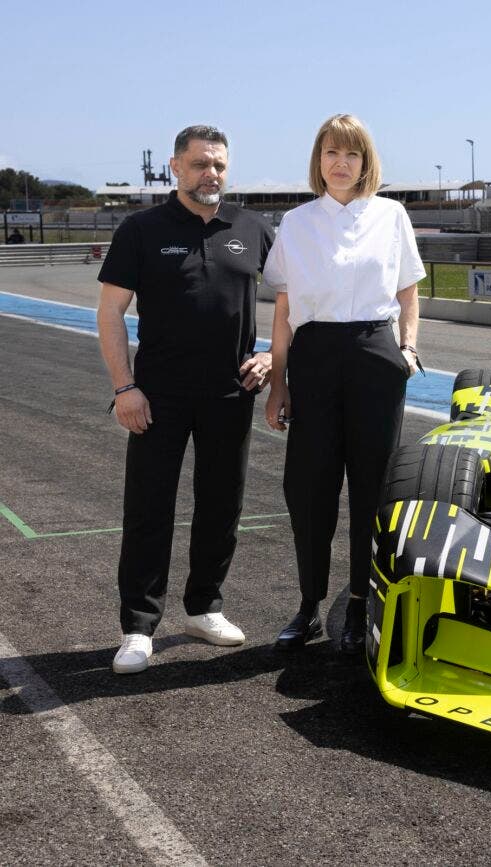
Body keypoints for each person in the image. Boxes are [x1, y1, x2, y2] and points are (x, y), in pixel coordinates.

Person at [96, 125, 275, 674]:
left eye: (219, 164)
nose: (211, 174)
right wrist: (124, 388)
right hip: (157, 397)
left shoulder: (252, 228)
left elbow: (297, 302)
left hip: (231, 393)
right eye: (199, 164)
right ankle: (138, 627)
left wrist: (271, 357)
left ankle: (204, 608)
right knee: (149, 509)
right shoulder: (142, 229)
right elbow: (110, 314)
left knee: (222, 506)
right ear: (176, 167)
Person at [263, 114, 425, 654]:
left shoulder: (391, 214)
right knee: (309, 488)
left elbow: (407, 293)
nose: (341, 163)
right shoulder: (296, 221)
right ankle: (309, 604)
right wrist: (278, 382)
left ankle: (360, 602)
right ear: (319, 159)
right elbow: (284, 309)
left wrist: (406, 348)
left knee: (372, 488)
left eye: (352, 154)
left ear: (365, 162)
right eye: (332, 152)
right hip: (314, 356)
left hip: (375, 356)